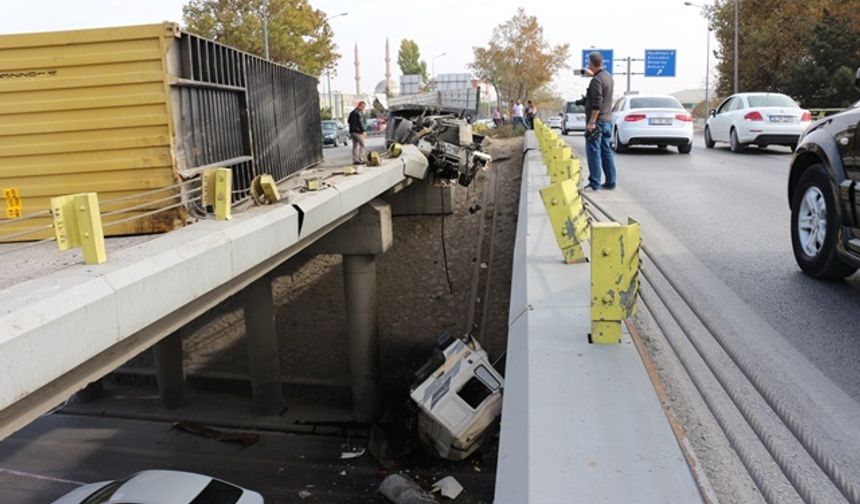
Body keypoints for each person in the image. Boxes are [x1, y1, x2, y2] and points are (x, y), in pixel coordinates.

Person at [584, 51, 617, 190]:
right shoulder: (608, 77)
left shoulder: (596, 80)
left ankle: (595, 183)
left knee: (593, 152)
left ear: (591, 63)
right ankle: (610, 182)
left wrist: (591, 122)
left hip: (597, 122)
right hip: (607, 121)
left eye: (588, 63)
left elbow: (597, 103)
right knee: (606, 151)